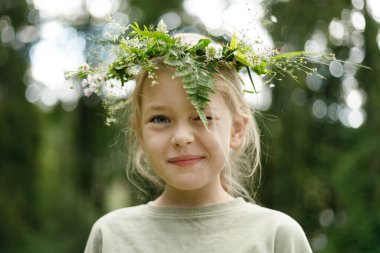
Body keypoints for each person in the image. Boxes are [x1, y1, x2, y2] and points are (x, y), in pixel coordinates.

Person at [77, 26, 314, 252]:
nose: (181, 138)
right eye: (160, 119)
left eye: (202, 117)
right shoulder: (110, 236)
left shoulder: (276, 236)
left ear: (237, 131)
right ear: (139, 132)